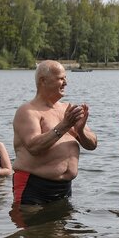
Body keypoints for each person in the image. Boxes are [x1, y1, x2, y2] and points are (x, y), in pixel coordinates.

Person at [12, 60, 98, 205]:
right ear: (43, 81)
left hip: (64, 188)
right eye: (61, 78)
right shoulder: (28, 111)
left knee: (61, 228)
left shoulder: (67, 109)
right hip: (33, 187)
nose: (66, 83)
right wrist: (64, 125)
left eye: (65, 78)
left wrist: (80, 131)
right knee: (33, 227)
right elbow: (34, 147)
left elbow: (92, 145)